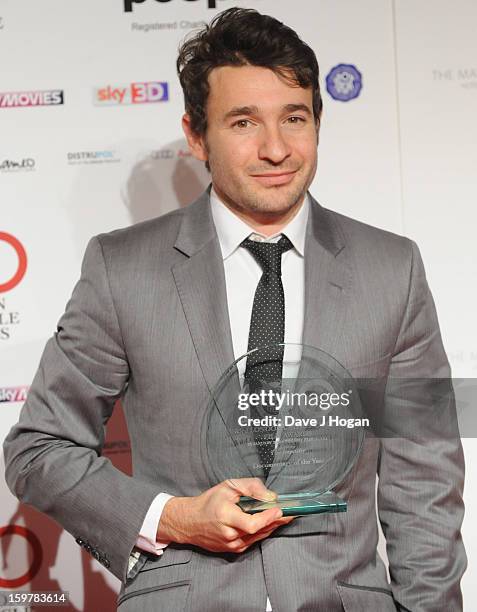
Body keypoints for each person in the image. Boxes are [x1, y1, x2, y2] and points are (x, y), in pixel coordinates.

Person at [3, 8, 466, 611]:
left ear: (318, 124)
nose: (276, 149)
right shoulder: (124, 269)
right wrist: (171, 517)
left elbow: (425, 480)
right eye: (244, 122)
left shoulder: (392, 270)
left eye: (294, 119)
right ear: (197, 134)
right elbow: (38, 447)